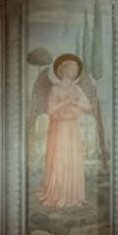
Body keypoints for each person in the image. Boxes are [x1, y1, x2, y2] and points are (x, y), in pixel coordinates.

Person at [39, 54, 96, 210]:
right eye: (72, 68)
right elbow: (50, 110)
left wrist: (76, 102)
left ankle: (73, 196)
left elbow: (88, 107)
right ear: (63, 70)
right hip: (59, 128)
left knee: (72, 159)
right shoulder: (55, 89)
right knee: (60, 159)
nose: (74, 71)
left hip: (72, 128)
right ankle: (58, 194)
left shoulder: (77, 89)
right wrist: (66, 102)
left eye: (76, 69)